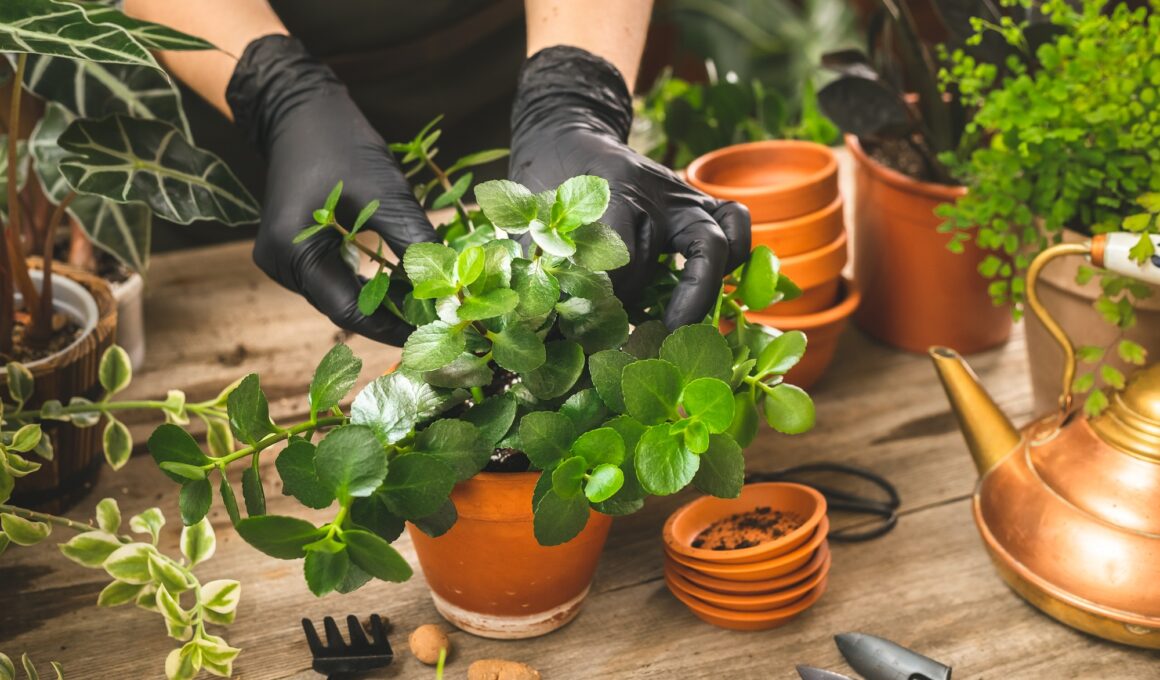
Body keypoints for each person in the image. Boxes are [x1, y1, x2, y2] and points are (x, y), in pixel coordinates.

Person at [124, 0, 751, 345]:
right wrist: (273, 89)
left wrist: (572, 93)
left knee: (531, 287)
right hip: (218, 118)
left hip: (502, 73)